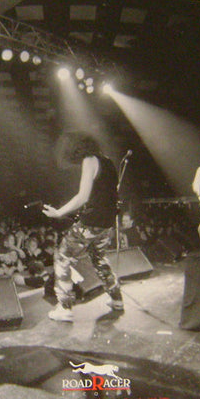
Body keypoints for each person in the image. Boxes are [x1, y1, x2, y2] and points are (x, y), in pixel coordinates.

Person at [42, 132, 123, 322]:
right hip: (107, 223)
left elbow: (83, 196)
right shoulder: (108, 162)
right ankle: (117, 299)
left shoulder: (89, 160)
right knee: (99, 259)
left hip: (92, 222)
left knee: (62, 257)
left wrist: (59, 212)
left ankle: (64, 307)